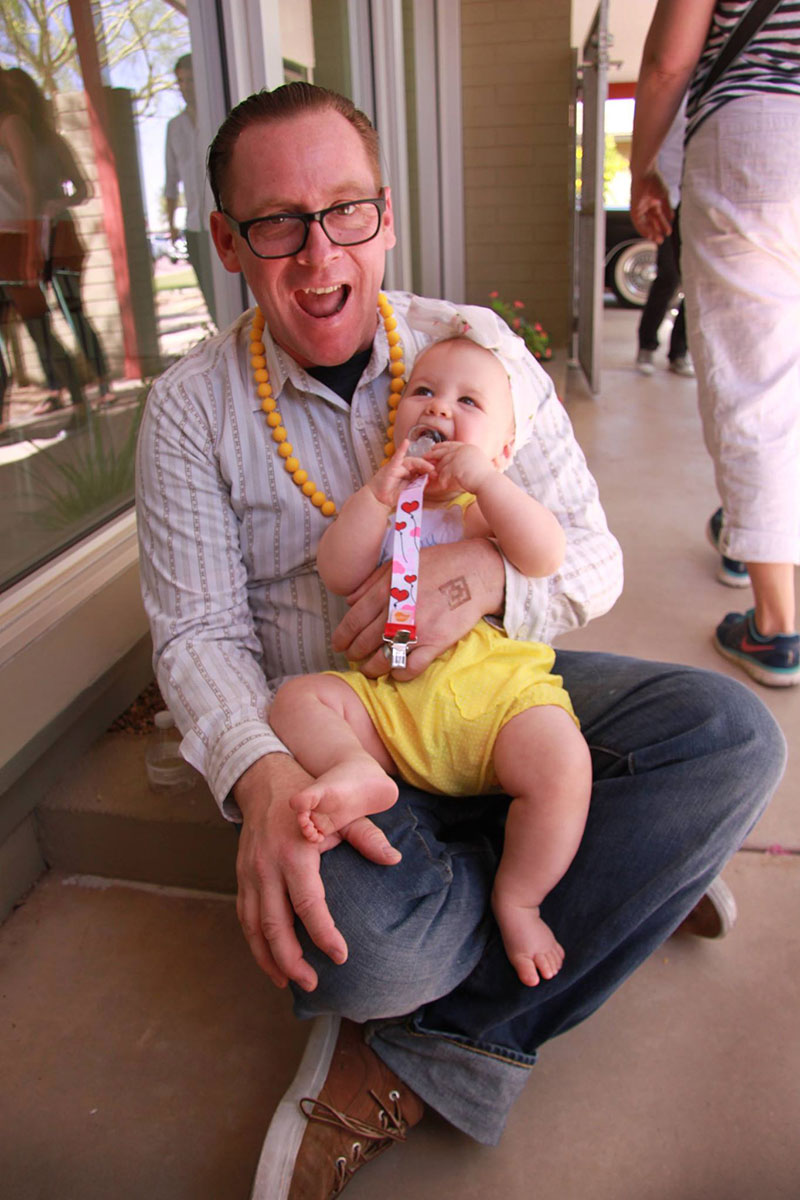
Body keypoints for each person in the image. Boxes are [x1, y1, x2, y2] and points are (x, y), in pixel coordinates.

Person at [135, 82, 786, 1197]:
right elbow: (197, 631)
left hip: (488, 690)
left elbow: (587, 555)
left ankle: (436, 1042)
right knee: (368, 949)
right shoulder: (192, 411)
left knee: (728, 736)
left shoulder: (468, 353)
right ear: (226, 242)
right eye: (276, 223)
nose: (317, 253)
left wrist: (475, 573)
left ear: (384, 214)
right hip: (347, 742)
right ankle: (608, 879)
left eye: (344, 210)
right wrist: (256, 781)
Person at [269, 330, 592, 989]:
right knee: (295, 701)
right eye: (424, 392)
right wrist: (377, 496)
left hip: (496, 704)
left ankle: (518, 897)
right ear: (397, 428)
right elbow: (337, 570)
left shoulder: (485, 514)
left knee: (564, 767)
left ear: (503, 449)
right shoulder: (386, 505)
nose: (440, 409)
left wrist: (488, 483)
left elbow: (545, 556)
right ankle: (356, 767)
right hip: (393, 709)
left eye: (468, 402)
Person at [630, 0, 800, 687]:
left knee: (754, 381)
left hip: (758, 139)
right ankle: (753, 529)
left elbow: (670, 59)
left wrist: (643, 167)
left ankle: (777, 626)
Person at [4, 68, 111, 405]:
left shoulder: (52, 141)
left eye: (20, 93)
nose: (16, 100)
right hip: (23, 236)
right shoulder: (9, 142)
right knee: (37, 319)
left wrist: (55, 204)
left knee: (72, 311)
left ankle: (103, 381)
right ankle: (59, 388)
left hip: (57, 235)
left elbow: (83, 187)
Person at [0, 71, 81, 418]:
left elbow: (32, 188)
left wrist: (33, 244)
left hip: (17, 239)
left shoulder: (12, 125)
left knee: (38, 325)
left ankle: (78, 396)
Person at [634, 96, 693, 379]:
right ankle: (646, 345)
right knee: (668, 277)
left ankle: (679, 352)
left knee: (693, 283)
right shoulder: (672, 101)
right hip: (668, 198)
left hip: (700, 199)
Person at [164, 53, 217, 326]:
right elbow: (171, 181)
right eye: (181, 81)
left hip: (223, 223)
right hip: (195, 226)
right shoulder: (174, 127)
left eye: (191, 80)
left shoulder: (219, 118)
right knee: (212, 298)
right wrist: (171, 224)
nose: (186, 86)